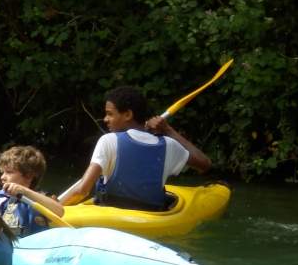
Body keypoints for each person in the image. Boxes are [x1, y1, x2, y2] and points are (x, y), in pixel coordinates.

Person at [58, 85, 211, 211]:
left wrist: (55, 207)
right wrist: (168, 130)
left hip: (109, 218)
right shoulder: (168, 145)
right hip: (151, 219)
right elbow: (204, 164)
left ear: (127, 115)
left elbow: (82, 190)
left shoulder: (108, 141)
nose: (105, 119)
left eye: (110, 114)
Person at [0, 145, 64, 238]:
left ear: (29, 176)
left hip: (33, 250)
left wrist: (24, 191)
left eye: (8, 172)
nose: (2, 177)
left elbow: (60, 212)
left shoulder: (41, 198)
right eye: (2, 172)